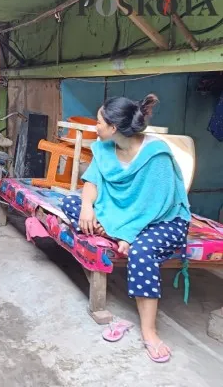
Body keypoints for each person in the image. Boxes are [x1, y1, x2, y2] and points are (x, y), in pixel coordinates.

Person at [60, 94, 190, 363]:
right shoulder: (105, 148)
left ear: (114, 127)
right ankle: (112, 234)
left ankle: (149, 332)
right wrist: (87, 206)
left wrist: (129, 235)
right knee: (70, 202)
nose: (95, 127)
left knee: (142, 253)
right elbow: (92, 182)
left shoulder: (156, 156)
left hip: (162, 219)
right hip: (121, 216)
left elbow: (157, 206)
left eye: (98, 122)